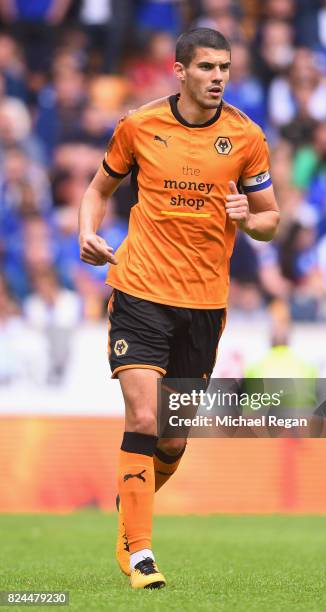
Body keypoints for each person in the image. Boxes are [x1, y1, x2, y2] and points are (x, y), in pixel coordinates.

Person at [78, 27, 280, 590]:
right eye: (208, 67)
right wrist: (86, 233)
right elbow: (97, 190)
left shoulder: (246, 137)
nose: (218, 77)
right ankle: (139, 552)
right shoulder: (139, 125)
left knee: (171, 437)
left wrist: (249, 217)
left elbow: (271, 220)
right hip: (140, 289)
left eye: (226, 68)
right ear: (181, 71)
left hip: (204, 304)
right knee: (143, 418)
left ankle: (132, 496)